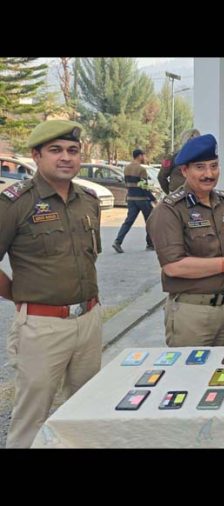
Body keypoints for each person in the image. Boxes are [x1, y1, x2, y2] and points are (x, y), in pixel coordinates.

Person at [0, 119, 103, 448]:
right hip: (43, 326)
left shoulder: (88, 199)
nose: (66, 158)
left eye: (73, 151)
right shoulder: (15, 203)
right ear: (36, 155)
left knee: (87, 409)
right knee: (32, 416)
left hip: (88, 320)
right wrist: (17, 294)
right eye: (55, 150)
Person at [147, 134, 224, 347]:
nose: (209, 174)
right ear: (185, 170)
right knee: (188, 377)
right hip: (191, 312)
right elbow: (173, 266)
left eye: (214, 166)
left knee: (216, 377)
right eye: (200, 167)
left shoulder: (223, 202)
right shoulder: (170, 210)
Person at [112, 148, 156, 253]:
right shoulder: (141, 170)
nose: (145, 158)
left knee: (128, 222)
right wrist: (153, 199)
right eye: (144, 156)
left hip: (131, 199)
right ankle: (150, 244)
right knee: (149, 221)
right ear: (140, 156)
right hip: (142, 199)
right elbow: (144, 187)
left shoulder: (126, 168)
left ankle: (117, 242)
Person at [158, 128, 200, 194]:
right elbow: (161, 177)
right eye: (189, 139)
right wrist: (170, 192)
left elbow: (161, 176)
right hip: (178, 194)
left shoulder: (202, 157)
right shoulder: (172, 157)